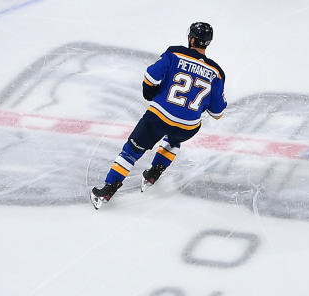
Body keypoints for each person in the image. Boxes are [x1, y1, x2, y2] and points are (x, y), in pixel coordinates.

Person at [91, 21, 227, 209]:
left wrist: (149, 92)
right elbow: (217, 112)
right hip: (188, 127)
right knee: (174, 138)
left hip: (158, 118)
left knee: (131, 151)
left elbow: (151, 76)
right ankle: (155, 171)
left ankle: (109, 188)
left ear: (192, 39)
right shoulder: (217, 72)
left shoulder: (175, 53)